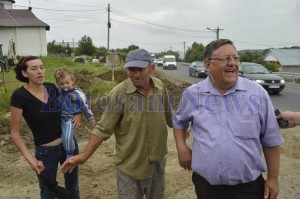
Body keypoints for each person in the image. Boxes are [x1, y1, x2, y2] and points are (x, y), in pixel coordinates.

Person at [172, 39, 284, 199]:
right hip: (206, 186)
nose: (233, 63)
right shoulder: (192, 94)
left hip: (248, 188)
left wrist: (273, 179)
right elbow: (179, 122)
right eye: (225, 59)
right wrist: (182, 149)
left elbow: (271, 139)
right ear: (208, 65)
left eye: (236, 58)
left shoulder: (257, 94)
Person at [61, 48, 173, 199]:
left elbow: (170, 116)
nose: (136, 74)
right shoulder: (119, 93)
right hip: (130, 168)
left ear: (152, 68)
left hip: (157, 163)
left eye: (140, 69)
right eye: (131, 70)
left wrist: (183, 128)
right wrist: (84, 156)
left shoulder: (159, 87)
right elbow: (102, 129)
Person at [10, 56, 81, 199]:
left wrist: (78, 112)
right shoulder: (19, 96)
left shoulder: (51, 87)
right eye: (34, 68)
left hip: (69, 145)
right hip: (46, 153)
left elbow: (71, 97)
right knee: (48, 192)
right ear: (25, 73)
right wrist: (31, 160)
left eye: (42, 67)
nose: (40, 71)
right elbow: (15, 133)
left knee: (73, 189)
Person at [54, 67, 96, 160]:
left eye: (67, 83)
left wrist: (90, 117)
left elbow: (84, 105)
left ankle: (70, 154)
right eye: (61, 84)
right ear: (57, 84)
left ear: (72, 81)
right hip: (59, 118)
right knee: (60, 137)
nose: (65, 86)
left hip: (70, 119)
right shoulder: (58, 93)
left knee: (67, 137)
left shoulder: (77, 93)